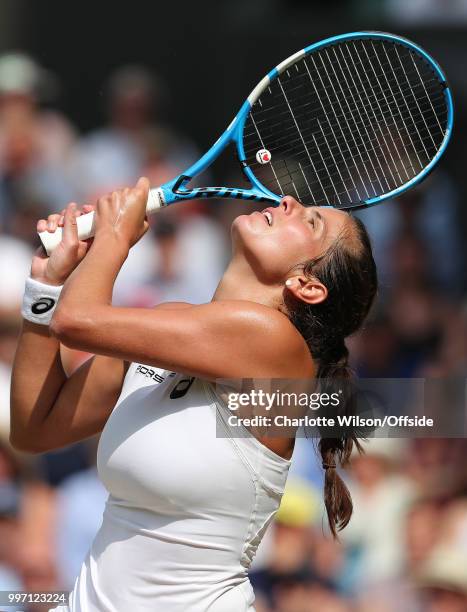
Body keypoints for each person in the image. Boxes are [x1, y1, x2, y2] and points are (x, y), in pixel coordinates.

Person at [10, 178, 377, 611]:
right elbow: (35, 428)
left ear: (307, 285)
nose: (289, 201)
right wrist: (45, 286)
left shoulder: (275, 346)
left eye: (311, 221)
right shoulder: (167, 326)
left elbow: (76, 321)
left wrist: (114, 236)